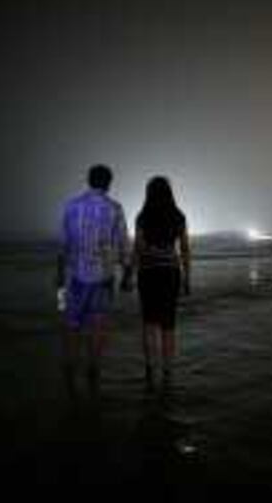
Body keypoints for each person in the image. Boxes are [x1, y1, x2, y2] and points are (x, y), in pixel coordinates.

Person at [56, 164, 132, 394]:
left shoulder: (71, 206)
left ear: (89, 181)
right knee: (98, 323)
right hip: (103, 277)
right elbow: (123, 245)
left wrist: (58, 275)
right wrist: (128, 274)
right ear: (109, 183)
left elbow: (63, 245)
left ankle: (70, 367)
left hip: (75, 277)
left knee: (72, 323)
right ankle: (93, 369)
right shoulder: (115, 208)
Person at [131, 176, 190, 386]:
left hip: (148, 273)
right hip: (170, 273)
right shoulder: (178, 215)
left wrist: (129, 272)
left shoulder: (142, 216)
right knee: (168, 325)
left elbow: (137, 247)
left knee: (148, 324)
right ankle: (167, 371)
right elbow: (184, 248)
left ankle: (149, 370)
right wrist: (187, 277)